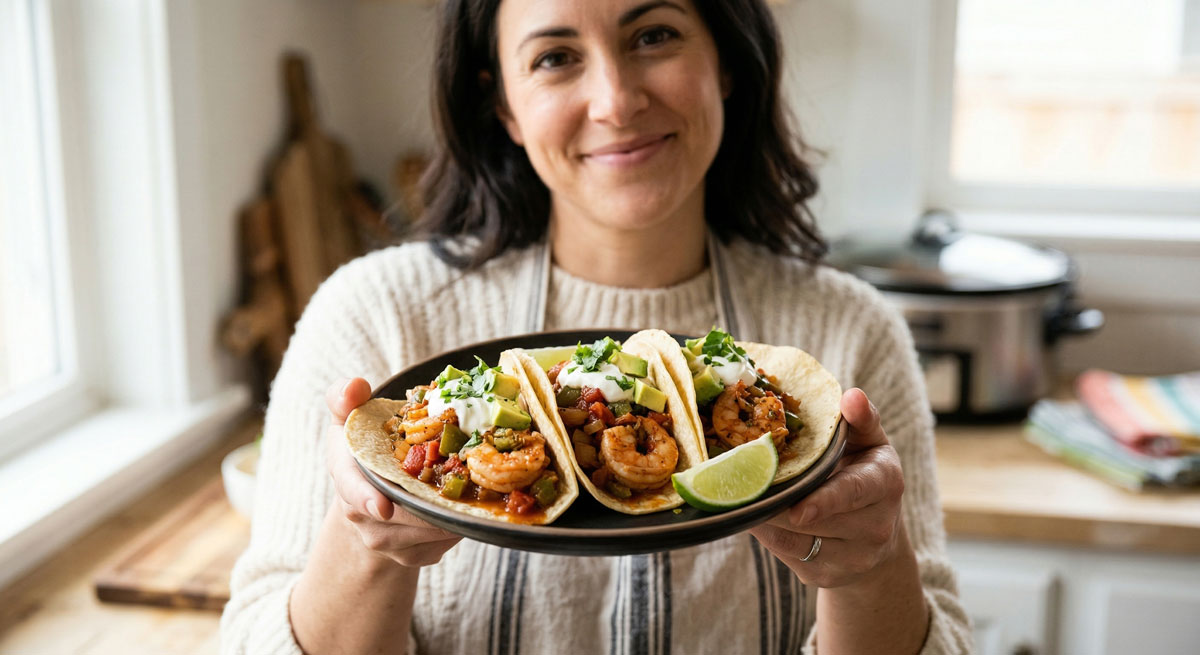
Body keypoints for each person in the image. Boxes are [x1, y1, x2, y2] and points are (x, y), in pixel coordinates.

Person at [220, 0, 972, 653]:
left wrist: (870, 567)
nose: (614, 100)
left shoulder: (851, 334)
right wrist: (368, 543)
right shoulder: (374, 317)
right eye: (554, 57)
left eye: (653, 36)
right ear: (504, 106)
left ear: (728, 62)